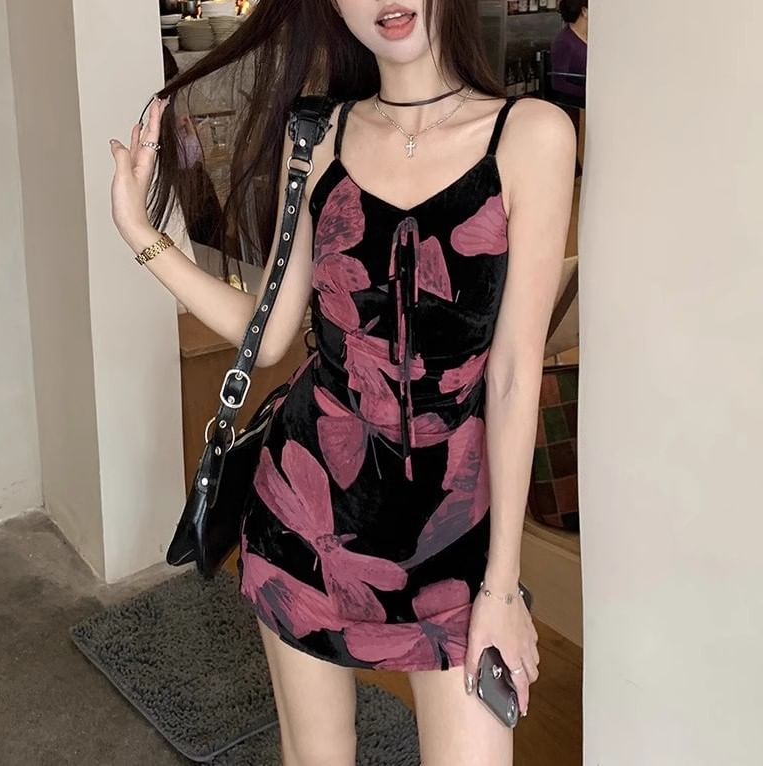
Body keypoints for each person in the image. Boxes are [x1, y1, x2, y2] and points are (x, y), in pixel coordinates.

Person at [109, 1, 575, 763]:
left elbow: (516, 376)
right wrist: (144, 236)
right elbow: (269, 336)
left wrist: (501, 588)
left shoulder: (531, 134)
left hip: (455, 535)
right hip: (306, 508)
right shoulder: (316, 134)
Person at [551, 0, 588, 102]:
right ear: (584, 11)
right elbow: (559, 83)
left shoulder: (594, 35)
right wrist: (588, 92)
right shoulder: (563, 42)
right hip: (576, 103)